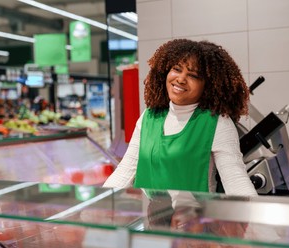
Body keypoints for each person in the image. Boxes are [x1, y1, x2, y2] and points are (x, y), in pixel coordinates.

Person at [103, 38, 258, 206]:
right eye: (177, 69)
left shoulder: (217, 122)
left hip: (196, 225)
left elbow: (236, 180)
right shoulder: (149, 116)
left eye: (193, 75)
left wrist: (260, 223)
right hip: (150, 223)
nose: (181, 79)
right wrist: (98, 205)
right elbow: (125, 172)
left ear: (208, 85)